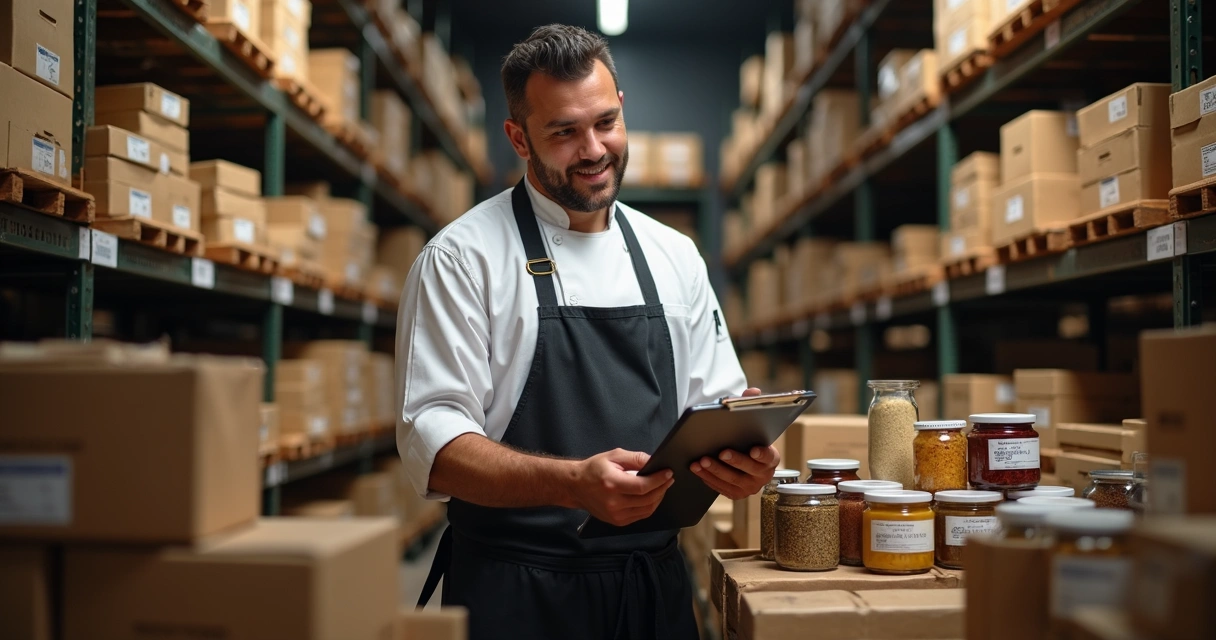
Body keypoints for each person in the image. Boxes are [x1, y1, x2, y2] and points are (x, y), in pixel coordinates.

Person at [397, 24, 779, 640]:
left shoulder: (674, 255)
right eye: (564, 132)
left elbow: (715, 403)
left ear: (623, 107)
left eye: (605, 122)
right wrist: (571, 482)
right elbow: (434, 449)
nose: (594, 149)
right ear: (519, 138)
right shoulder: (462, 259)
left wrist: (742, 458)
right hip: (518, 593)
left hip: (651, 587)